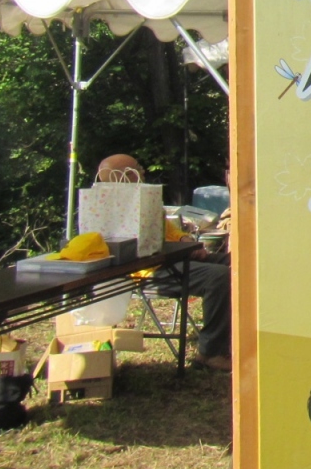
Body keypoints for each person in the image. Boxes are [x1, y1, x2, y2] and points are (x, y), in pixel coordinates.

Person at [95, 154, 235, 373]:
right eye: (137, 167)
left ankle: (243, 334)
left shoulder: (144, 197)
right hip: (149, 270)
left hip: (173, 257)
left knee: (240, 262)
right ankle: (210, 353)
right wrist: (179, 248)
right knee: (218, 276)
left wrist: (184, 240)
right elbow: (137, 249)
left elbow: (166, 231)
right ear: (122, 176)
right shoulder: (106, 208)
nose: (142, 171)